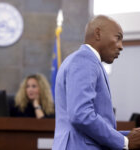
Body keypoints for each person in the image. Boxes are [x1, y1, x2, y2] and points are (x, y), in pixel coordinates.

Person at [53, 15, 140, 150]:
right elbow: (81, 114)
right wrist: (125, 142)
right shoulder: (84, 60)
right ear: (98, 33)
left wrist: (128, 137)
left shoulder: (84, 61)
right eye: (118, 38)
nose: (121, 46)